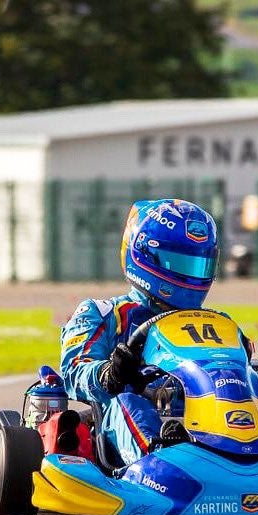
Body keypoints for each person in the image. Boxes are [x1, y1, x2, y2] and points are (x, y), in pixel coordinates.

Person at [59, 198, 220, 466]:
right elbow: (73, 374)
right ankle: (161, 460)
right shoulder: (102, 314)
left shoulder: (213, 323)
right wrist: (110, 374)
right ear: (145, 255)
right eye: (179, 264)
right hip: (120, 425)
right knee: (129, 402)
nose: (191, 277)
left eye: (198, 267)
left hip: (204, 418)